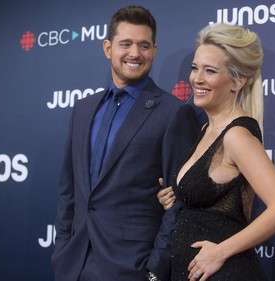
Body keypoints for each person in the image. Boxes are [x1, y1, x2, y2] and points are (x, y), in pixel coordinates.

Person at [51, 5, 201, 281]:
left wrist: (155, 269)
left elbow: (180, 200)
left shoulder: (173, 112)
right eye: (126, 44)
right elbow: (68, 190)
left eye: (144, 45)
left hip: (131, 268)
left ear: (154, 50)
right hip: (73, 265)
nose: (135, 53)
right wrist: (62, 249)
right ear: (108, 48)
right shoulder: (83, 109)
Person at [158, 23, 275, 281]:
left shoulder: (236, 136)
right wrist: (176, 195)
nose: (197, 79)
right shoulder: (206, 129)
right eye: (194, 68)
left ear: (238, 80)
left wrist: (220, 252)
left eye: (210, 71)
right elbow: (212, 201)